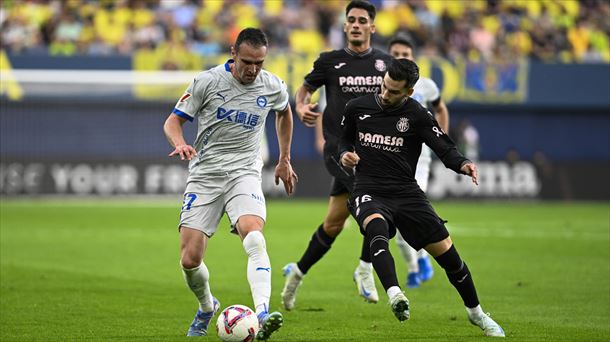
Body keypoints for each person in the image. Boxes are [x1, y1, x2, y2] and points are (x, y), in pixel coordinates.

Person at [338, 58, 505, 337]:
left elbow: (444, 147)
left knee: (451, 259)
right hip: (368, 189)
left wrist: (463, 164)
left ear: (409, 92)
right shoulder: (357, 107)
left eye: (393, 91)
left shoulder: (417, 114)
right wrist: (345, 155)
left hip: (406, 192)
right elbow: (343, 140)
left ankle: (476, 314)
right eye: (384, 86)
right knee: (376, 228)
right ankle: (395, 294)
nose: (384, 94)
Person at [163, 28, 298, 340]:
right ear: (233, 52)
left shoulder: (272, 84)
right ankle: (207, 306)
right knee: (190, 259)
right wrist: (181, 142)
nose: (252, 69)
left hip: (244, 172)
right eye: (247, 61)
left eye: (259, 63)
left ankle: (263, 313)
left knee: (253, 235)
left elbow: (284, 112)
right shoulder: (206, 82)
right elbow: (173, 121)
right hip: (206, 174)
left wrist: (284, 158)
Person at [281, 0, 392, 310]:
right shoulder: (330, 61)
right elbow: (304, 90)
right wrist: (301, 106)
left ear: (372, 26)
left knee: (332, 224)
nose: (356, 25)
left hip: (373, 151)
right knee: (376, 206)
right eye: (351, 20)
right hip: (338, 149)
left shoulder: (385, 64)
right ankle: (365, 268)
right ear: (345, 26)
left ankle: (297, 275)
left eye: (362, 20)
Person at [387, 35, 450, 288]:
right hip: (391, 157)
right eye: (396, 54)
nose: (401, 58)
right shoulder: (384, 86)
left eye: (406, 54)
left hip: (419, 159)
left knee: (405, 214)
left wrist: (441, 140)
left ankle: (418, 264)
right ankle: (417, 262)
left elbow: (441, 109)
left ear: (413, 57)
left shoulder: (426, 86)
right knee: (397, 219)